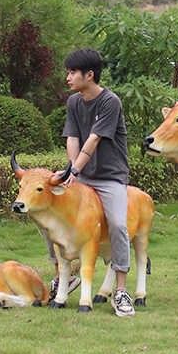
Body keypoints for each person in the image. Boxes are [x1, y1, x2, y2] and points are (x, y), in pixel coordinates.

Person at [50, 48, 135, 317]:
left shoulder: (111, 102)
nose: (68, 77)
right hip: (83, 176)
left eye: (73, 72)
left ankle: (121, 291)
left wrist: (75, 169)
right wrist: (73, 174)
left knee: (119, 225)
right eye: (68, 72)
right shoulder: (74, 102)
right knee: (45, 212)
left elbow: (93, 140)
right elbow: (73, 138)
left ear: (90, 75)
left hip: (110, 177)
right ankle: (64, 277)